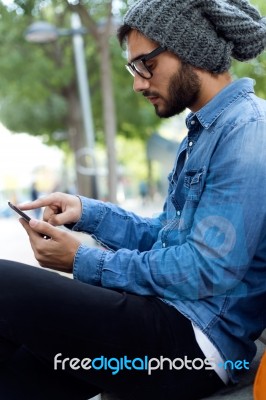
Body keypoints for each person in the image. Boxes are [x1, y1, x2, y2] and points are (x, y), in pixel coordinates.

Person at [1, 0, 266, 399]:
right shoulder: (205, 132)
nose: (139, 82)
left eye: (146, 64)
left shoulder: (248, 133)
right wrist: (86, 213)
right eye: (134, 68)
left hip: (195, 348)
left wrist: (82, 260)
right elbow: (164, 235)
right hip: (166, 325)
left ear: (190, 50)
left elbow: (206, 269)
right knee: (17, 366)